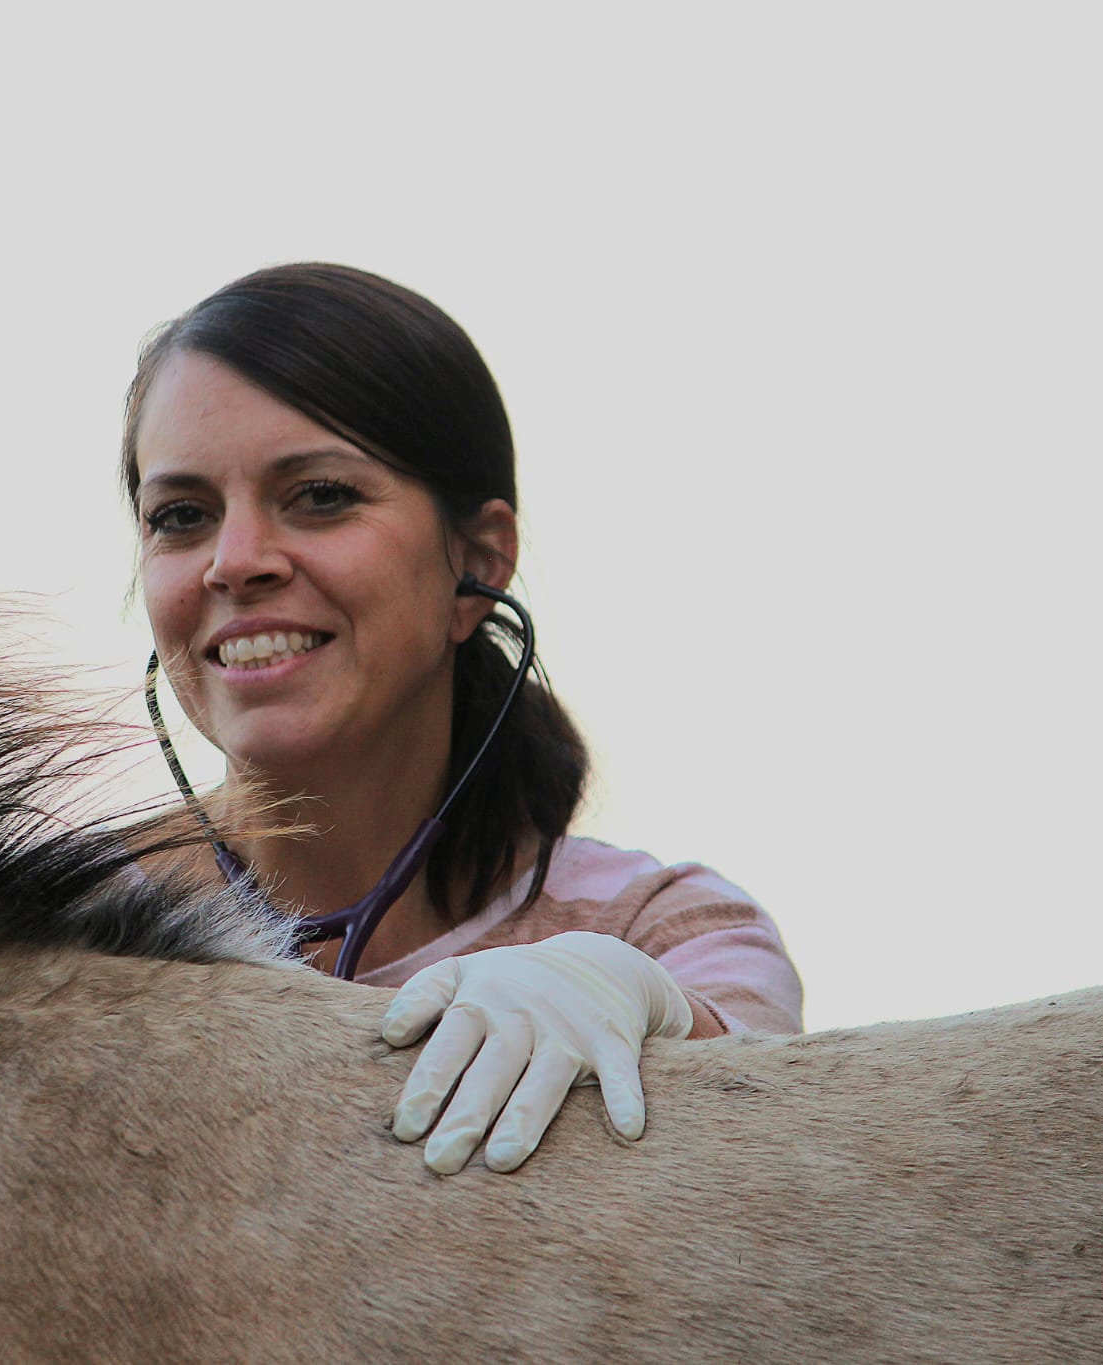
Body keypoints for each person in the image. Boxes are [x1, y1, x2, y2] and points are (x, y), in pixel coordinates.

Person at [122, 264, 802, 1175]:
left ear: (478, 560)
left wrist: (667, 1017)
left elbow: (782, 1175)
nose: (234, 561)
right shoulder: (37, 929)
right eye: (181, 515)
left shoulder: (664, 931)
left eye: (320, 495)